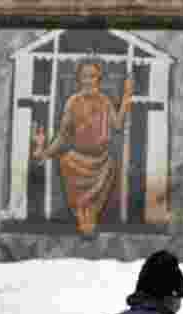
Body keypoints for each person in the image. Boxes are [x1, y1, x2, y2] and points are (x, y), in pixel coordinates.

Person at [31, 60, 133, 237]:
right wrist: (45, 153)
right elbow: (62, 135)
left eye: (92, 76)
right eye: (84, 76)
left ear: (98, 79)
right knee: (78, 199)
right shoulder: (73, 102)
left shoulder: (105, 101)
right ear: (79, 79)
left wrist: (126, 98)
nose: (88, 81)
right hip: (75, 162)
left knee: (92, 205)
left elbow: (116, 125)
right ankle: (82, 218)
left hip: (101, 163)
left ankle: (89, 219)